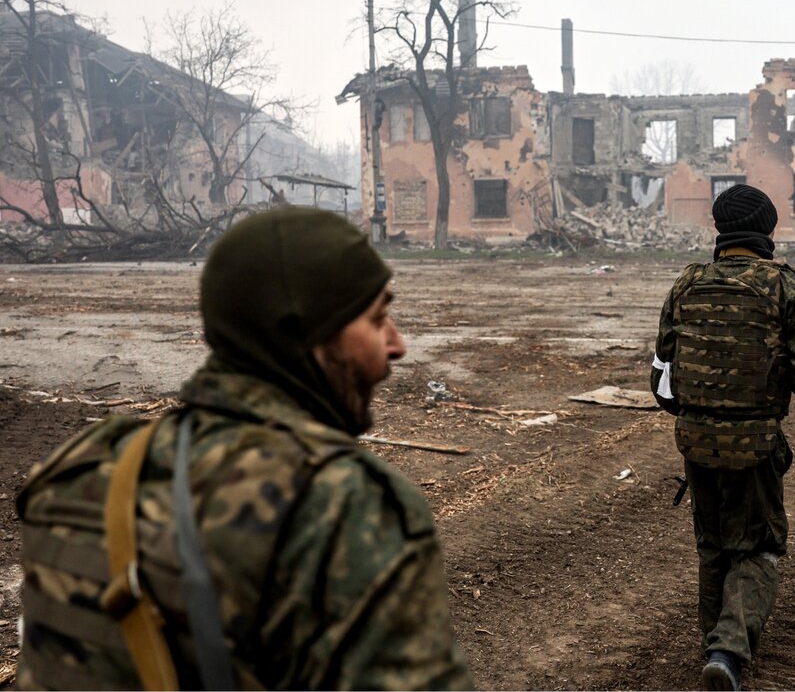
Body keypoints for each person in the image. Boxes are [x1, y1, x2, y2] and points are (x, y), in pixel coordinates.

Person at [17, 207, 473, 690]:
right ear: (307, 335)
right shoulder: (343, 505)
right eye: (378, 317)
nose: (397, 344)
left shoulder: (80, 470)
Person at [651, 184, 795, 691]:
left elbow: (661, 381)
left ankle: (714, 645)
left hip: (696, 443)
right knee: (760, 548)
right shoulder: (784, 286)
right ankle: (728, 652)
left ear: (720, 230)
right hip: (755, 447)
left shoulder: (686, 285)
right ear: (768, 232)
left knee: (713, 547)